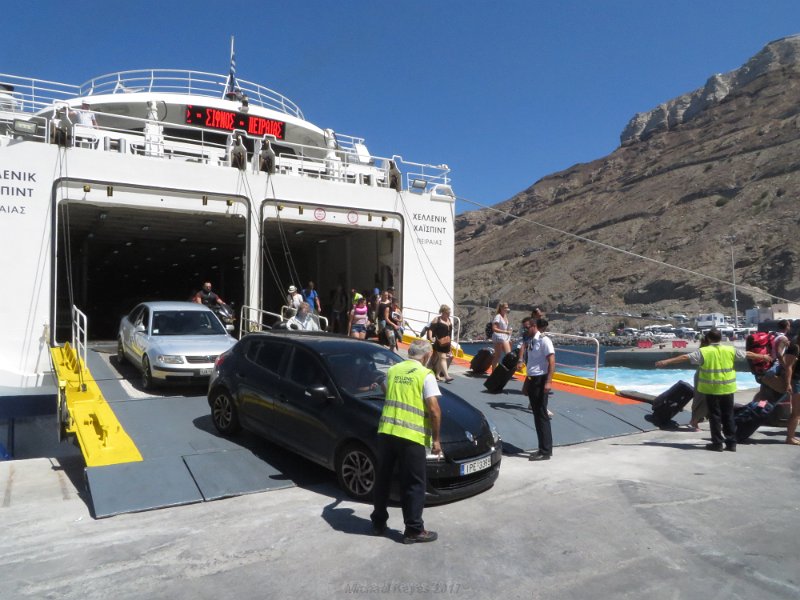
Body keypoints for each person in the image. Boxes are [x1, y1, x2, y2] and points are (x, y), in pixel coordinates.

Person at [371, 339, 441, 544]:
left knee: (382, 479)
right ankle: (413, 529)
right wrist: (436, 440)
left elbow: (384, 389)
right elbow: (434, 410)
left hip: (386, 432)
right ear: (427, 356)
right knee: (414, 484)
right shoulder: (425, 375)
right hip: (410, 436)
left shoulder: (393, 370)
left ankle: (378, 523)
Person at [655, 328, 771, 452]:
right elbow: (748, 354)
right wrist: (763, 356)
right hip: (727, 388)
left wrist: (666, 362)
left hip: (711, 389)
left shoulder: (704, 351)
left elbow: (684, 357)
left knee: (715, 416)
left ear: (709, 339)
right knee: (728, 415)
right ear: (720, 338)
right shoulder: (730, 350)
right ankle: (731, 443)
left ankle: (717, 443)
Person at [520, 318, 556, 461]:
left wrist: (548, 382)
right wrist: (526, 383)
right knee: (537, 415)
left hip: (541, 380)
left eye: (526, 328)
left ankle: (545, 451)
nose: (524, 331)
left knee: (541, 416)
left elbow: (552, 362)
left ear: (534, 326)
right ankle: (543, 448)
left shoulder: (544, 340)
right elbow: (532, 365)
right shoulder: (530, 341)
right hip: (533, 379)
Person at [688, 333, 711, 431]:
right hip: (702, 376)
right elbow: (688, 358)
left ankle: (696, 420)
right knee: (700, 399)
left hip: (710, 377)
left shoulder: (714, 349)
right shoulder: (703, 351)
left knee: (707, 400)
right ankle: (694, 421)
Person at [426, 305, 454, 383]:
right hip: (439, 342)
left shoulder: (449, 320)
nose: (449, 314)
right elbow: (431, 329)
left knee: (440, 359)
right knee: (442, 358)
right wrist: (431, 338)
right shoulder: (437, 319)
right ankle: (446, 376)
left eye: (449, 313)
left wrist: (450, 344)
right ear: (442, 312)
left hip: (447, 342)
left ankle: (437, 375)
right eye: (447, 313)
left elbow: (449, 333)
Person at [782, 330, 800, 445]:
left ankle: (791, 436)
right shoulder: (795, 348)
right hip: (797, 381)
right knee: (796, 412)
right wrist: (788, 383)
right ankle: (790, 438)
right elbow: (788, 366)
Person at [490, 302, 513, 371]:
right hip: (499, 336)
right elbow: (494, 328)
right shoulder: (498, 316)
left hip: (504, 336)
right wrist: (505, 332)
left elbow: (504, 327)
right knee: (508, 354)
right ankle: (505, 371)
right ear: (501, 308)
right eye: (505, 307)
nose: (507, 309)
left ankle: (494, 371)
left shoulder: (505, 316)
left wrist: (508, 331)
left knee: (497, 355)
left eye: (507, 307)